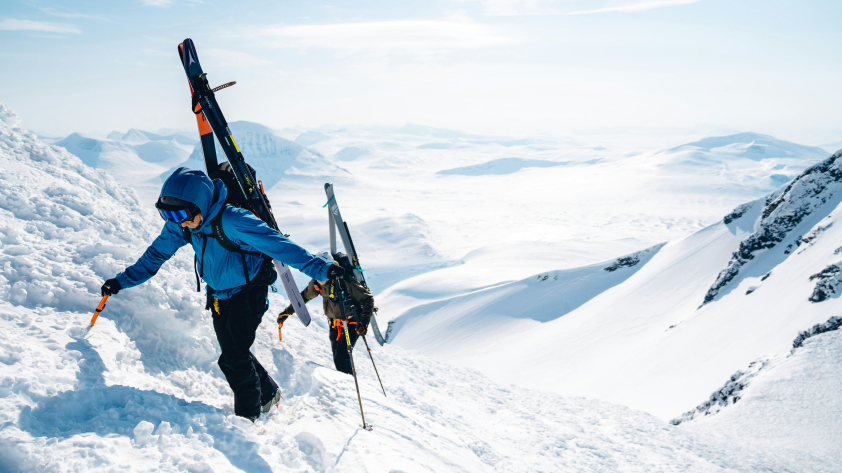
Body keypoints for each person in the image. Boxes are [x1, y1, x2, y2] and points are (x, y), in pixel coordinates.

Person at [100, 167, 344, 421]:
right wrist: (121, 281)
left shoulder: (233, 221)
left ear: (200, 205)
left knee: (234, 358)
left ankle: (247, 420)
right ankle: (269, 393)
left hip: (248, 293)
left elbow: (279, 246)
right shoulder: (182, 225)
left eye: (181, 214)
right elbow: (155, 255)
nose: (178, 221)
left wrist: (321, 269)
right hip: (218, 295)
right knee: (231, 356)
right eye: (167, 215)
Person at [277, 252, 374, 375]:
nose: (319, 277)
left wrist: (364, 322)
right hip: (334, 323)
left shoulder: (345, 280)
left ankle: (348, 383)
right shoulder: (316, 284)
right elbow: (303, 298)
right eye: (316, 272)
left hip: (352, 322)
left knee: (342, 356)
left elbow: (368, 299)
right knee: (338, 356)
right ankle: (346, 381)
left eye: (321, 272)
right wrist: (287, 312)